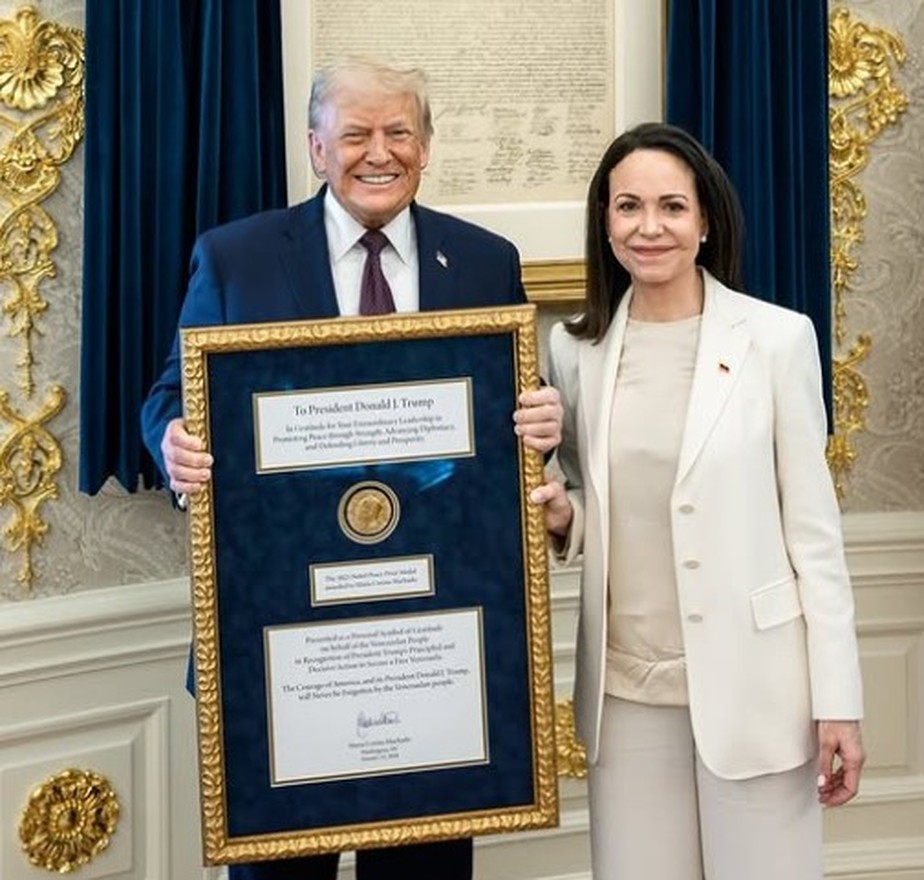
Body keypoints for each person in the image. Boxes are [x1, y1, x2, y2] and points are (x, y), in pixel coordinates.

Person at [141, 58, 562, 880]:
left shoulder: (483, 260)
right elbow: (171, 395)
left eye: (399, 132)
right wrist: (173, 442)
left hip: (433, 627)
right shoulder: (237, 257)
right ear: (315, 147)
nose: (381, 152)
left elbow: (504, 412)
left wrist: (541, 417)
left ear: (426, 146)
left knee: (425, 867)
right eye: (357, 133)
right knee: (278, 869)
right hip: (280, 631)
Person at [531, 122, 864, 880]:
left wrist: (838, 701)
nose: (650, 227)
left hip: (759, 689)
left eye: (672, 207)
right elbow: (589, 495)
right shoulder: (574, 351)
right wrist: (562, 517)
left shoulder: (777, 341)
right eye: (628, 207)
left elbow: (815, 536)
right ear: (605, 222)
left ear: (706, 221)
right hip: (625, 695)